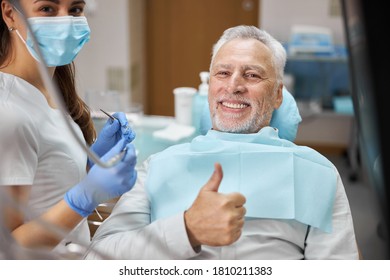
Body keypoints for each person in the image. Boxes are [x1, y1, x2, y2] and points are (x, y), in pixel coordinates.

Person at [84, 25, 359, 260]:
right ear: (210, 88)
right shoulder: (158, 167)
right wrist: (186, 230)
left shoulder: (315, 173)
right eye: (223, 73)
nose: (233, 86)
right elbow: (100, 258)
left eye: (252, 75)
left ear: (277, 96)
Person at [0, 0, 137, 257]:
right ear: (10, 13)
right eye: (47, 8)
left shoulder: (46, 90)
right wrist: (85, 198)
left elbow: (43, 183)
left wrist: (89, 163)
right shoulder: (8, 112)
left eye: (75, 9)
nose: (64, 21)